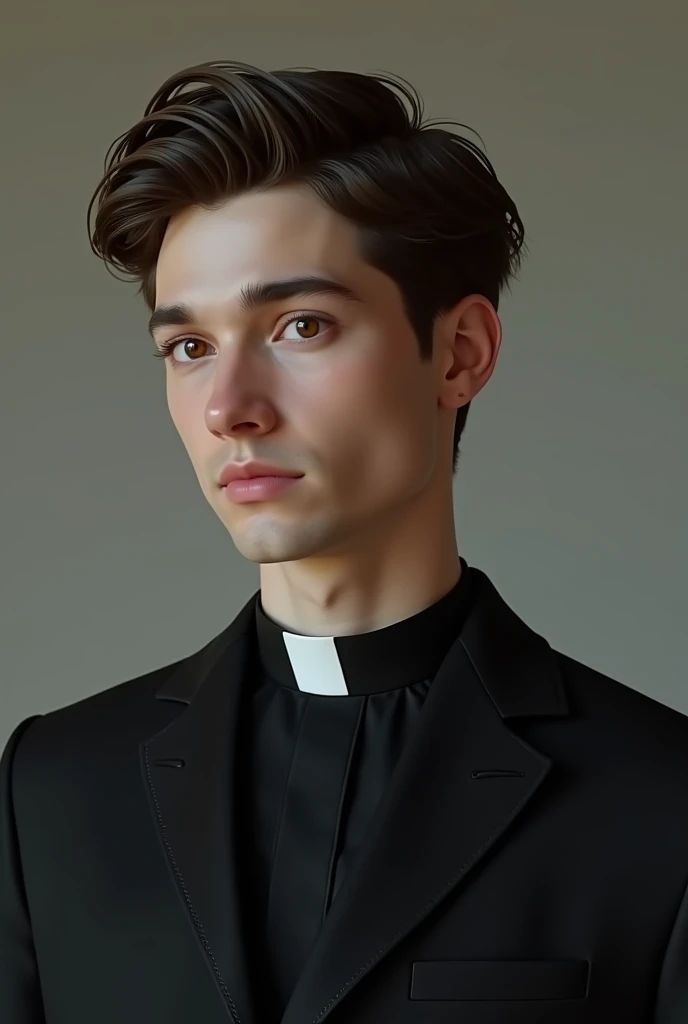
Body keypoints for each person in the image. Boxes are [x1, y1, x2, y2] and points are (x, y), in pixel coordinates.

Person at [1, 59, 686, 1024]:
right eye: (188, 347)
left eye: (300, 324)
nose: (230, 408)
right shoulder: (53, 790)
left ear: (460, 354)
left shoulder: (661, 799)